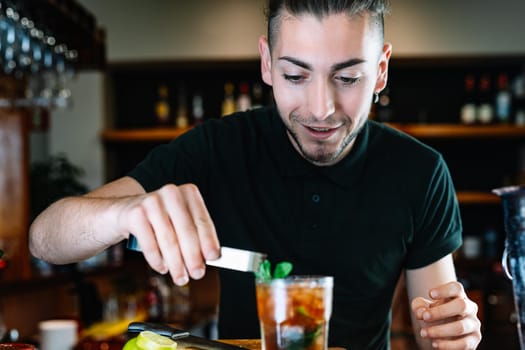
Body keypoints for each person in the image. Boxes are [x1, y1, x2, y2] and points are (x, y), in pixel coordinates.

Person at [29, 0, 482, 349]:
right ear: (267, 64)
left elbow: (434, 331)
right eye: (295, 75)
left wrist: (452, 329)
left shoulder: (419, 172)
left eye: (347, 79)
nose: (321, 110)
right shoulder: (218, 148)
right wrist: (127, 213)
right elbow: (45, 239)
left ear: (381, 70)